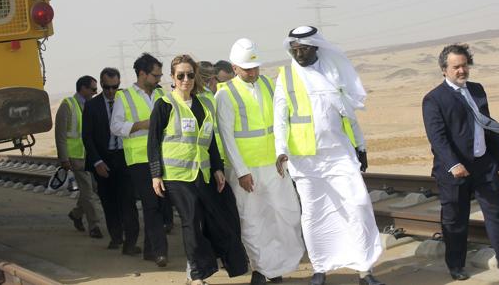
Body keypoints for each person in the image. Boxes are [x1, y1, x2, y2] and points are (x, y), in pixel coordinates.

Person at [274, 26, 384, 285]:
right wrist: (281, 151)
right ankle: (320, 268)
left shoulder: (333, 72)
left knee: (357, 205)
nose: (298, 53)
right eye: (295, 49)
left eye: (304, 48)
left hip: (339, 154)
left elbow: (349, 114)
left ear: (316, 48)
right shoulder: (286, 77)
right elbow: (280, 119)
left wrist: (361, 145)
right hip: (305, 159)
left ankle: (364, 269)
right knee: (314, 212)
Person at [422, 44, 499, 281]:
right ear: (444, 70)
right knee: (455, 219)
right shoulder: (433, 99)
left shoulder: (477, 89)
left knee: (497, 215)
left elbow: (487, 124)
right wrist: (453, 164)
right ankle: (456, 265)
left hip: (483, 165)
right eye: (456, 67)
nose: (462, 70)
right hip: (454, 170)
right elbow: (437, 137)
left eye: (464, 65)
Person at [148, 55, 248, 285]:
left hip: (202, 174)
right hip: (176, 176)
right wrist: (155, 175)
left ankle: (217, 265)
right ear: (172, 78)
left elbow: (209, 140)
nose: (186, 79)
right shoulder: (164, 105)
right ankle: (196, 275)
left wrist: (217, 168)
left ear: (195, 77)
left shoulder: (203, 105)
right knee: (191, 218)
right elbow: (153, 143)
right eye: (180, 75)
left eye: (190, 75)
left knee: (217, 217)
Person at [216, 38, 304, 285]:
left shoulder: (267, 83)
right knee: (253, 221)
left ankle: (275, 268)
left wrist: (282, 153)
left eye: (255, 67)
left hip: (274, 167)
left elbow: (280, 120)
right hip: (247, 172)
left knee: (284, 216)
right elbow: (227, 136)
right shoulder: (226, 94)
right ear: (235, 67)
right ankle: (261, 268)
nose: (252, 72)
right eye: (247, 68)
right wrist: (242, 171)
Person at [110, 53, 168, 266]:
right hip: (139, 160)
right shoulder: (123, 97)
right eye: (155, 75)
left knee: (162, 206)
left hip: (163, 156)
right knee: (151, 204)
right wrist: (140, 125)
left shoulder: (162, 93)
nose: (159, 79)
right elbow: (115, 126)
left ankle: (150, 250)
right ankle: (160, 252)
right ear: (142, 74)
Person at [82, 67, 140, 251]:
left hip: (124, 158)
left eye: (115, 87)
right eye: (107, 87)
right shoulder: (92, 106)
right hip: (103, 159)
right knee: (109, 201)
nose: (111, 91)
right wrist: (97, 161)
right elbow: (87, 137)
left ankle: (130, 243)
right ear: (101, 85)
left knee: (128, 201)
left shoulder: (127, 100)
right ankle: (116, 238)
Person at [55, 75, 102, 239]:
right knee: (88, 192)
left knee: (94, 189)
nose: (96, 93)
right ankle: (94, 225)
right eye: (93, 89)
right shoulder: (67, 105)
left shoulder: (91, 105)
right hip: (75, 157)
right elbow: (60, 134)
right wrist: (64, 158)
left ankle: (76, 214)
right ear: (83, 88)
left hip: (89, 155)